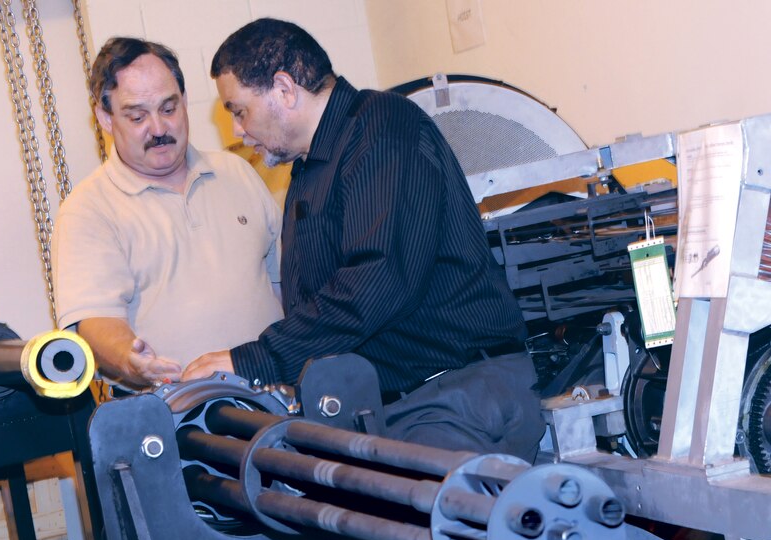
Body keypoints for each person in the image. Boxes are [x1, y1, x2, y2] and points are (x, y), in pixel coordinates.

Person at [183, 18, 544, 459]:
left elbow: (380, 280)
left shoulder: (384, 129)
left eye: (238, 110)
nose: (237, 130)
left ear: (284, 88)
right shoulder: (311, 166)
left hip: (453, 397)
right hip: (398, 406)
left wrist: (256, 359)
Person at [52, 37, 283, 392]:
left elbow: (282, 284)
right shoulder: (87, 211)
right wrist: (130, 359)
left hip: (279, 401)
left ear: (186, 101)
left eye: (169, 108)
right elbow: (94, 321)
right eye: (137, 116)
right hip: (185, 426)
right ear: (105, 118)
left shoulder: (236, 172)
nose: (158, 129)